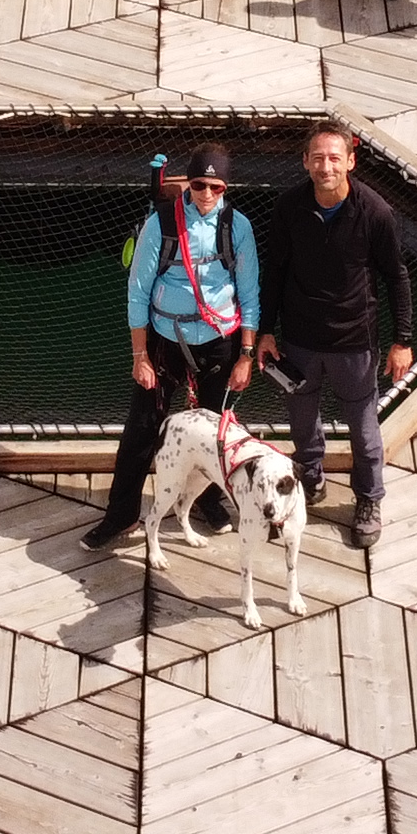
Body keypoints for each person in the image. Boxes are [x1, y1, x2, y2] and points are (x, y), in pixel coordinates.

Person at [84, 143, 260, 551]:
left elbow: (250, 293)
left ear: (226, 187)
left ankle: (208, 500)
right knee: (142, 430)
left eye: (216, 187)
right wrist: (139, 356)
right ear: (189, 184)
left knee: (217, 432)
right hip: (165, 341)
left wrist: (247, 354)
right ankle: (121, 515)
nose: (207, 194)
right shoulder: (161, 224)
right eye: (199, 185)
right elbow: (138, 292)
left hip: (220, 342)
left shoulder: (239, 227)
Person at [253, 125, 413, 551]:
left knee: (364, 432)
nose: (326, 166)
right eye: (318, 158)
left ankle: (368, 499)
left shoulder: (375, 212)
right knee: (303, 420)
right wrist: (266, 331)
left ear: (350, 162)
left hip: (354, 342)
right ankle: (312, 476)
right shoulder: (288, 207)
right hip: (300, 340)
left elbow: (396, 277)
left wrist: (403, 340)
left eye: (335, 158)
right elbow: (275, 272)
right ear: (305, 161)